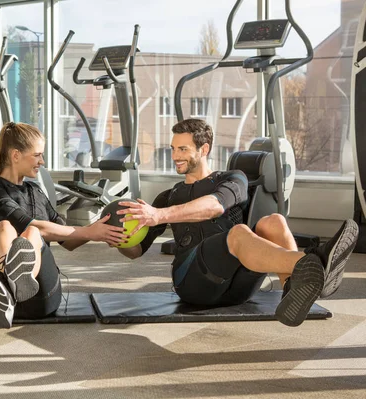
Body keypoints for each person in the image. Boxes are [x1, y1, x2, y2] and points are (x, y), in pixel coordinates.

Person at [116, 118, 359, 327]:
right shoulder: (167, 197)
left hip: (238, 286)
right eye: (173, 149)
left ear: (204, 149)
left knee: (273, 221)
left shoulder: (232, 179)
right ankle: (315, 265)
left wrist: (159, 214)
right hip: (194, 284)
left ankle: (292, 292)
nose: (175, 156)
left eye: (183, 149)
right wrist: (119, 239)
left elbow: (215, 205)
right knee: (239, 233)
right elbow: (136, 251)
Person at [0, 122, 127, 328]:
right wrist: (90, 231)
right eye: (37, 155)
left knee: (31, 232)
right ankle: (9, 288)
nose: (42, 161)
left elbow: (68, 242)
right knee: (11, 227)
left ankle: (17, 284)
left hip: (39, 297)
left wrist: (99, 231)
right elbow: (31, 224)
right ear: (15, 155)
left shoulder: (36, 193)